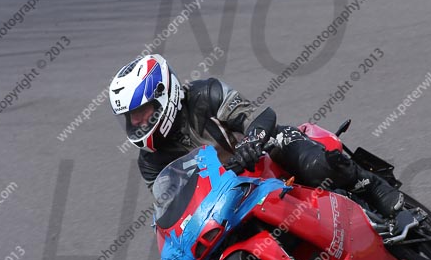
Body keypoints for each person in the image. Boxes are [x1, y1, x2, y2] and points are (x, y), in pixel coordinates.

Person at [109, 54, 404, 218]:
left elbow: (259, 116)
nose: (137, 121)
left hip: (264, 154)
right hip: (225, 195)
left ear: (164, 95)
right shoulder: (150, 160)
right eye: (130, 116)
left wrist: (251, 143)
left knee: (317, 165)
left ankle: (371, 186)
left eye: (142, 110)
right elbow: (170, 204)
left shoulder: (205, 94)